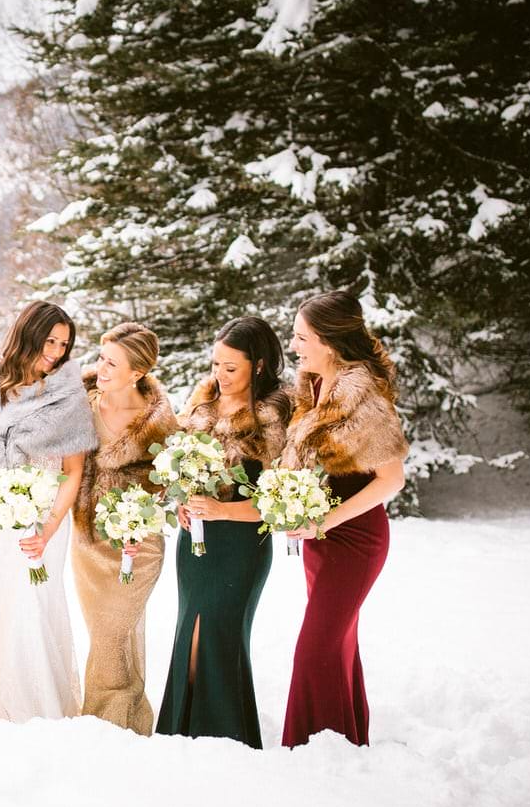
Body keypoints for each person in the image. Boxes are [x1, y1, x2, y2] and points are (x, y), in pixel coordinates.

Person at [279, 291, 408, 747]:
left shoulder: (363, 394)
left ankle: (318, 752)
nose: (294, 346)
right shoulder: (312, 387)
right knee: (337, 647)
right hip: (319, 537)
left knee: (315, 650)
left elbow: (391, 480)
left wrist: (325, 521)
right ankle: (347, 744)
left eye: (301, 337)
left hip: (355, 538)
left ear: (329, 342)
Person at [156, 316, 290, 747]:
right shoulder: (202, 406)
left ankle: (226, 740)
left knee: (216, 637)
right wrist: (183, 501)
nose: (220, 375)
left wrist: (220, 509)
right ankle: (181, 736)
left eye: (231, 368)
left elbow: (278, 504)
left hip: (242, 545)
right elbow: (181, 470)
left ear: (260, 366)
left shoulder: (274, 418)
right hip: (194, 544)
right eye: (216, 364)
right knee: (188, 634)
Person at [0, 301, 94, 722]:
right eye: (50, 340)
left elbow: (74, 469)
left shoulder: (68, 393)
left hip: (47, 514)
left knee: (36, 603)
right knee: (0, 603)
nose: (56, 351)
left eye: (64, 344)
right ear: (28, 333)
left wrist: (49, 525)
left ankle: (40, 710)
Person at [70, 321, 177, 735]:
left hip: (140, 544)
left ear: (138, 373)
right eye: (101, 359)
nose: (102, 369)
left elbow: (170, 481)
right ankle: (134, 722)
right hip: (90, 539)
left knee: (113, 631)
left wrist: (145, 515)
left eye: (113, 363)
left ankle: (102, 726)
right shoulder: (80, 403)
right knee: (108, 632)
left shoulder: (161, 422)